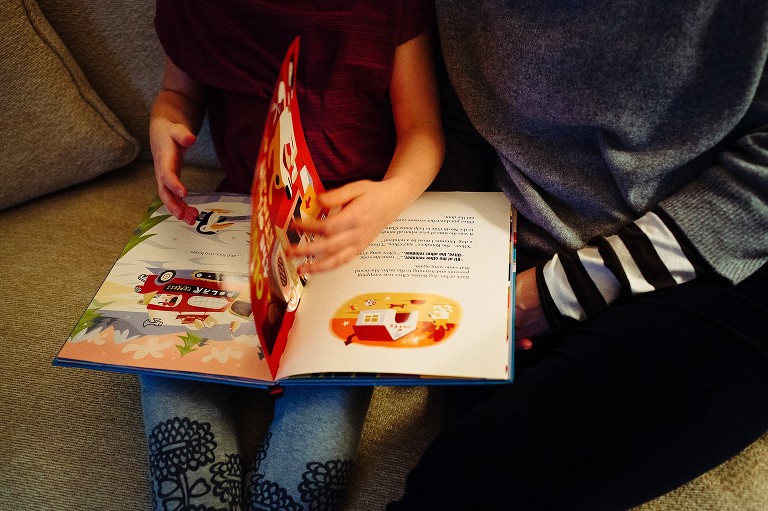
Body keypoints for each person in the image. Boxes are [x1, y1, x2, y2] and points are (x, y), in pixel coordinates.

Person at [389, 1, 768, 510]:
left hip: (730, 250)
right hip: (527, 244)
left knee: (462, 485)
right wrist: (457, 258)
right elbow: (466, 116)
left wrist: (554, 294)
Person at [144, 1, 444, 510]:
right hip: (241, 220)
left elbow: (423, 132)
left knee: (325, 401)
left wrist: (390, 195)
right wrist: (166, 121)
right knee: (167, 357)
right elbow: (179, 92)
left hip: (352, 234)